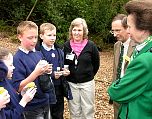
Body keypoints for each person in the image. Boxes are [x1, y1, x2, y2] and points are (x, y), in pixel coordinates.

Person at [108, 0, 152, 119]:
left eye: (129, 27)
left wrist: (117, 86)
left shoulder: (144, 60)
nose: (127, 31)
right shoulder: (145, 49)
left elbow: (116, 92)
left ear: (142, 29)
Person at [12, 21, 51, 119]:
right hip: (31, 107)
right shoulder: (17, 59)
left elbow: (42, 75)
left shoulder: (38, 53)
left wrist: (46, 70)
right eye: (30, 38)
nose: (34, 41)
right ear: (20, 37)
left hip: (45, 100)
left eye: (36, 37)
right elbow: (18, 88)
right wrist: (36, 73)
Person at [63, 18, 100, 119]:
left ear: (84, 31)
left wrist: (87, 75)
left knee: (88, 110)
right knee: (74, 111)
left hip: (87, 83)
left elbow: (96, 64)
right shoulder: (66, 46)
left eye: (79, 30)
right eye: (74, 30)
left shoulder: (91, 46)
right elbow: (64, 63)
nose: (77, 32)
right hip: (71, 83)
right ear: (71, 31)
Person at [38, 23, 71, 119]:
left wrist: (65, 71)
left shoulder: (59, 50)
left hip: (59, 88)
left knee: (58, 114)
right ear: (41, 36)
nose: (52, 38)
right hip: (45, 89)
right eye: (49, 35)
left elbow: (61, 66)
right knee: (47, 114)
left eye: (54, 35)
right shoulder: (38, 52)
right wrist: (52, 75)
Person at [109, 14, 135, 119]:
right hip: (118, 93)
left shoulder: (138, 46)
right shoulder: (117, 46)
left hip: (131, 94)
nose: (114, 34)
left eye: (118, 30)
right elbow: (116, 70)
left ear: (127, 28)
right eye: (113, 31)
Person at [0, 47, 37, 119]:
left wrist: (22, 95)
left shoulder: (6, 80)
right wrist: (24, 101)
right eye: (10, 65)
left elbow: (13, 103)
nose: (14, 67)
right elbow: (8, 116)